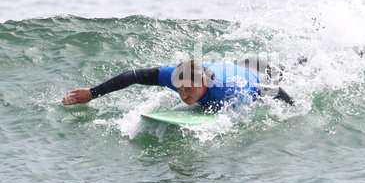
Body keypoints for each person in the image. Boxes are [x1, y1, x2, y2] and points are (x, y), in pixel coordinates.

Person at [62, 57, 295, 109]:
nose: (183, 95)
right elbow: (132, 76)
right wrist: (93, 93)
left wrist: (296, 108)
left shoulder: (229, 91)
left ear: (203, 81)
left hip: (260, 70)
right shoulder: (179, 77)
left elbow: (272, 91)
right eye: (180, 89)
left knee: (298, 69)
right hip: (239, 63)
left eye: (189, 89)